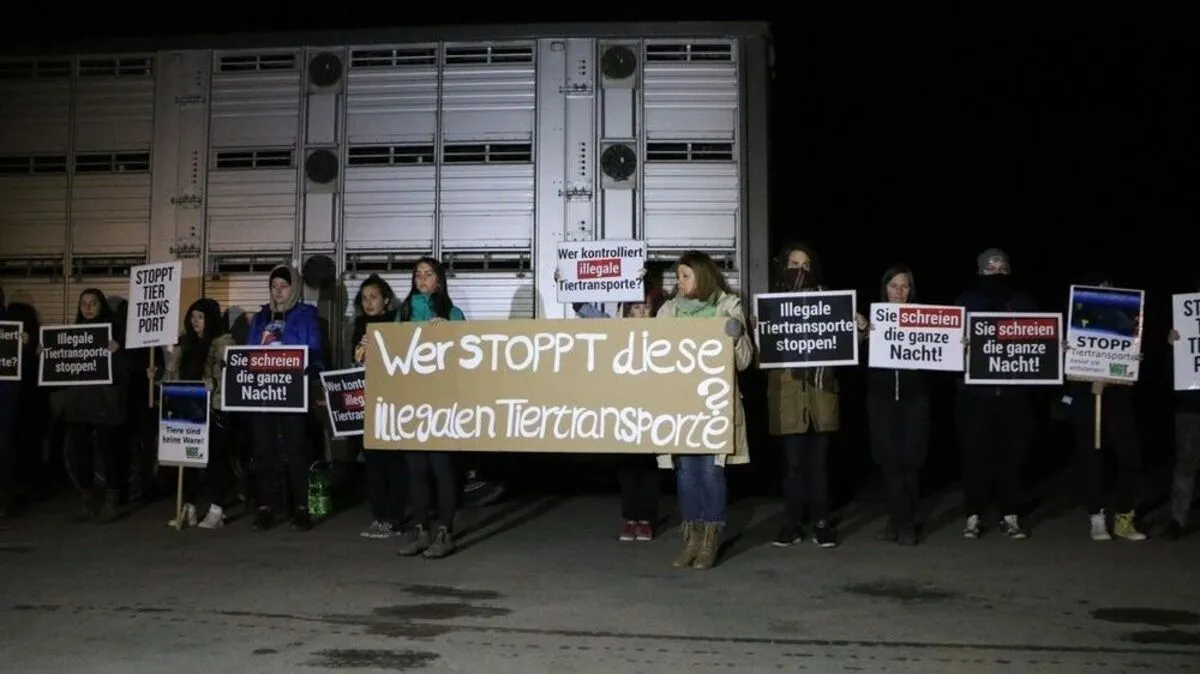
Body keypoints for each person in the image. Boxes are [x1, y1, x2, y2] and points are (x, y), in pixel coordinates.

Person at [656, 250, 753, 570]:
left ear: (702, 275)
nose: (679, 282)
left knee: (711, 471)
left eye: (685, 275)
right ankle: (692, 538)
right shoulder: (669, 311)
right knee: (686, 472)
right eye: (678, 276)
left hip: (714, 406)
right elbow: (653, 354)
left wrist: (736, 335)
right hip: (681, 406)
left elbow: (744, 361)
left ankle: (711, 539)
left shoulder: (727, 306)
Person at [563, 271, 664, 542]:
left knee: (647, 466)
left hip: (650, 408)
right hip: (623, 408)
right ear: (627, 312)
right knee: (626, 465)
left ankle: (647, 519)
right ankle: (630, 518)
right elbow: (582, 308)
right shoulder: (614, 328)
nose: (640, 314)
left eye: (645, 309)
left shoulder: (665, 334)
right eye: (634, 309)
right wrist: (568, 281)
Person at [955, 248, 1034, 539]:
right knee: (974, 456)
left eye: (1002, 269)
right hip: (974, 396)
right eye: (991, 270)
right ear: (980, 272)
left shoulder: (1024, 302)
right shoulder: (966, 302)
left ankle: (1010, 514)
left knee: (1012, 457)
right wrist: (959, 345)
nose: (997, 274)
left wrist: (1054, 346)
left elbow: (1040, 342)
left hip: (1015, 395)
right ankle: (973, 514)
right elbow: (947, 345)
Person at [767, 243, 842, 548]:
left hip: (821, 393)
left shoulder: (830, 300)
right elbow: (761, 354)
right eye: (794, 263)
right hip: (788, 394)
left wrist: (858, 328)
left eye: (806, 264)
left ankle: (822, 522)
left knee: (819, 465)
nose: (800, 270)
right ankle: (792, 523)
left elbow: (843, 342)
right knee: (793, 465)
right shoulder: (771, 302)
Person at [395, 257, 465, 559]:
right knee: (415, 469)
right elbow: (392, 351)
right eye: (418, 275)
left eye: (429, 274)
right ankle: (422, 529)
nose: (422, 279)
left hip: (442, 403)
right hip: (412, 402)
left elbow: (469, 352)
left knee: (441, 467)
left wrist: (450, 331)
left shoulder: (453, 312)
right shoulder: (404, 311)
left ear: (439, 280)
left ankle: (445, 531)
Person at [246, 264, 324, 531]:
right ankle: (266, 506)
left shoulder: (306, 315)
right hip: (263, 393)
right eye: (274, 286)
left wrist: (309, 368)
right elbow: (248, 352)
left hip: (293, 392)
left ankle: (300, 507)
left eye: (284, 286)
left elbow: (314, 352)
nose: (278, 291)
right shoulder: (260, 317)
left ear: (295, 288)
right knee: (264, 450)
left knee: (296, 450)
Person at [861, 265, 930, 545]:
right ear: (884, 289)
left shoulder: (926, 320)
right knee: (888, 461)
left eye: (905, 286)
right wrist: (862, 333)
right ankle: (898, 521)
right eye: (894, 286)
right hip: (882, 399)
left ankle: (905, 523)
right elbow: (855, 359)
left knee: (911, 462)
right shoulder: (873, 320)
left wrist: (956, 344)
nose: (900, 292)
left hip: (916, 399)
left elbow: (941, 356)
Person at [158, 298, 235, 529]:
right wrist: (161, 374)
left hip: (213, 410)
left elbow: (230, 375)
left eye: (200, 317)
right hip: (188, 410)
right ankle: (188, 507)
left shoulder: (223, 343)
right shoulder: (185, 344)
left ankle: (216, 509)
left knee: (215, 462)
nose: (195, 322)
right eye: (192, 317)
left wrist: (213, 383)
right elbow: (171, 379)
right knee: (187, 459)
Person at [54, 288, 128, 523]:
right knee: (80, 452)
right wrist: (47, 354)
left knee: (110, 452)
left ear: (101, 306)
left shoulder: (115, 335)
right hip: (79, 403)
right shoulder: (71, 335)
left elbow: (125, 371)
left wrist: (117, 351)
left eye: (92, 303)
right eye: (83, 303)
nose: (87, 307)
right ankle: (87, 499)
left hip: (105, 403)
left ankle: (111, 501)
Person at [349, 274, 408, 539]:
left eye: (373, 297)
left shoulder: (397, 322)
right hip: (367, 402)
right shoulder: (359, 325)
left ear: (386, 299)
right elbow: (355, 364)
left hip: (394, 401)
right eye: (364, 298)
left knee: (394, 462)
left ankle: (394, 517)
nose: (368, 302)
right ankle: (379, 516)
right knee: (372, 461)